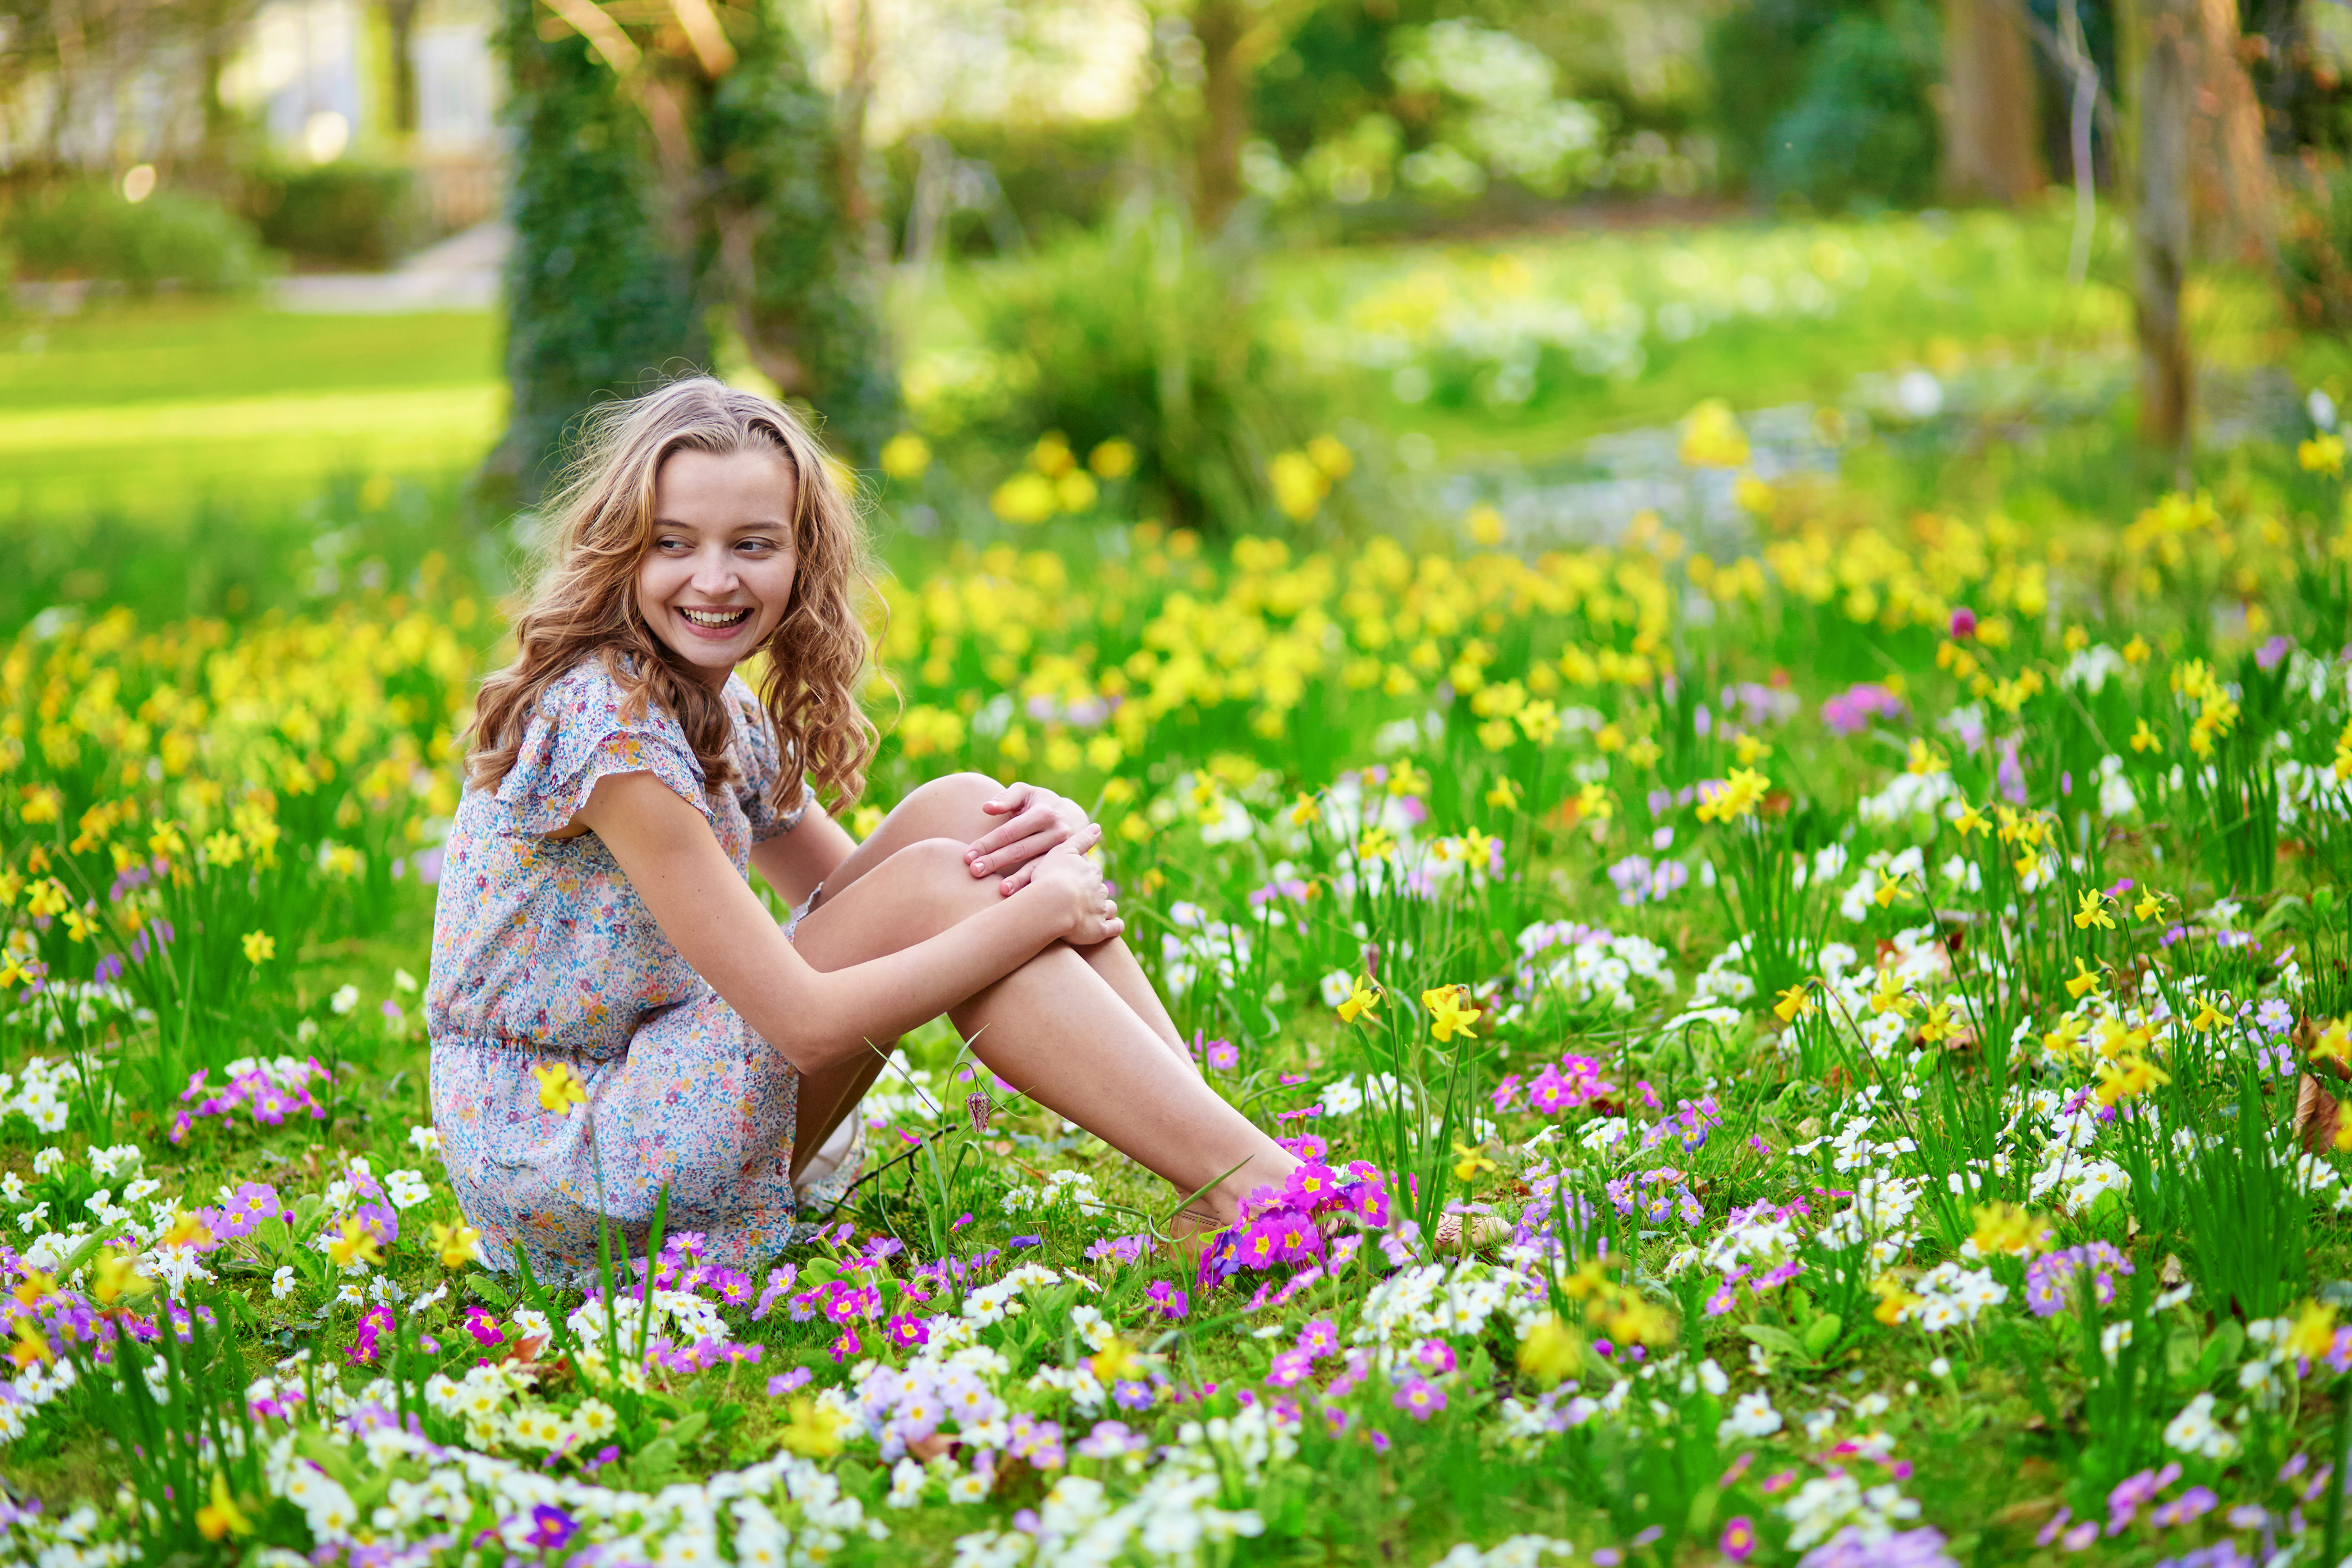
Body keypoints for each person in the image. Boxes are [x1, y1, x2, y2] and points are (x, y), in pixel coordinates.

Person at [425, 377, 1299, 1278]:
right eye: (673, 543)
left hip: (659, 1083)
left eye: (753, 545)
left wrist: (1049, 836)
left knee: (970, 812)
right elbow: (809, 1022)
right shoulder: (609, 730)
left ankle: (1224, 1171)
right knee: (952, 882)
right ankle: (1261, 1186)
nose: (715, 578)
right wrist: (1040, 910)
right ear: (622, 552)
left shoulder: (713, 706)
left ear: (802, 559)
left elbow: (861, 897)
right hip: (570, 1155)